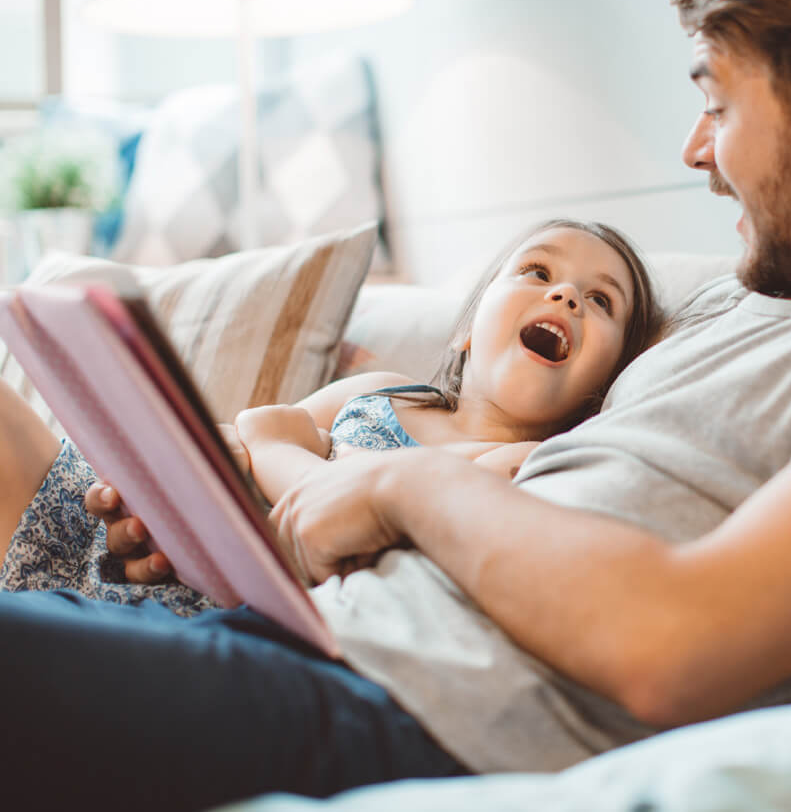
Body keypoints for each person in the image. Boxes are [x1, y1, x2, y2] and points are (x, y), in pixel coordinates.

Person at [3, 0, 791, 810]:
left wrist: (404, 491)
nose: (697, 151)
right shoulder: (753, 297)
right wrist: (226, 526)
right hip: (314, 639)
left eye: (719, 104)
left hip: (413, 719)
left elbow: (673, 644)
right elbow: (540, 479)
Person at [0, 218, 664, 611]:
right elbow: (240, 435)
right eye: (537, 269)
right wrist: (175, 486)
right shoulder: (383, 390)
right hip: (151, 556)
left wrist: (274, 445)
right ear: (467, 329)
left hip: (222, 613)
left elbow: (327, 498)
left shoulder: (524, 467)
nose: (566, 293)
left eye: (602, 301)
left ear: (599, 388)